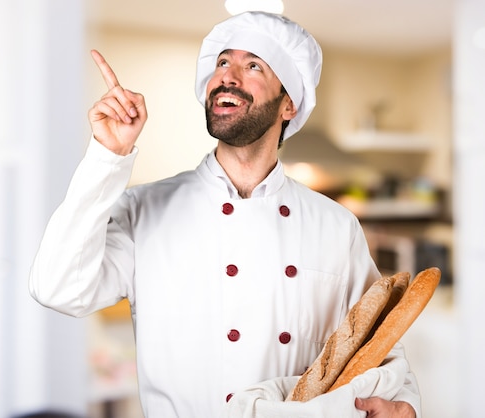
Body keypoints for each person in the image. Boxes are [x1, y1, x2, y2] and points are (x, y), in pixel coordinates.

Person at [29, 11, 421, 418]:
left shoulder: (336, 227)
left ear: (289, 104)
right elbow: (58, 288)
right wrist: (107, 157)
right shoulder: (145, 209)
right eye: (222, 62)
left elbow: (380, 344)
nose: (227, 76)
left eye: (253, 65)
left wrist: (405, 407)